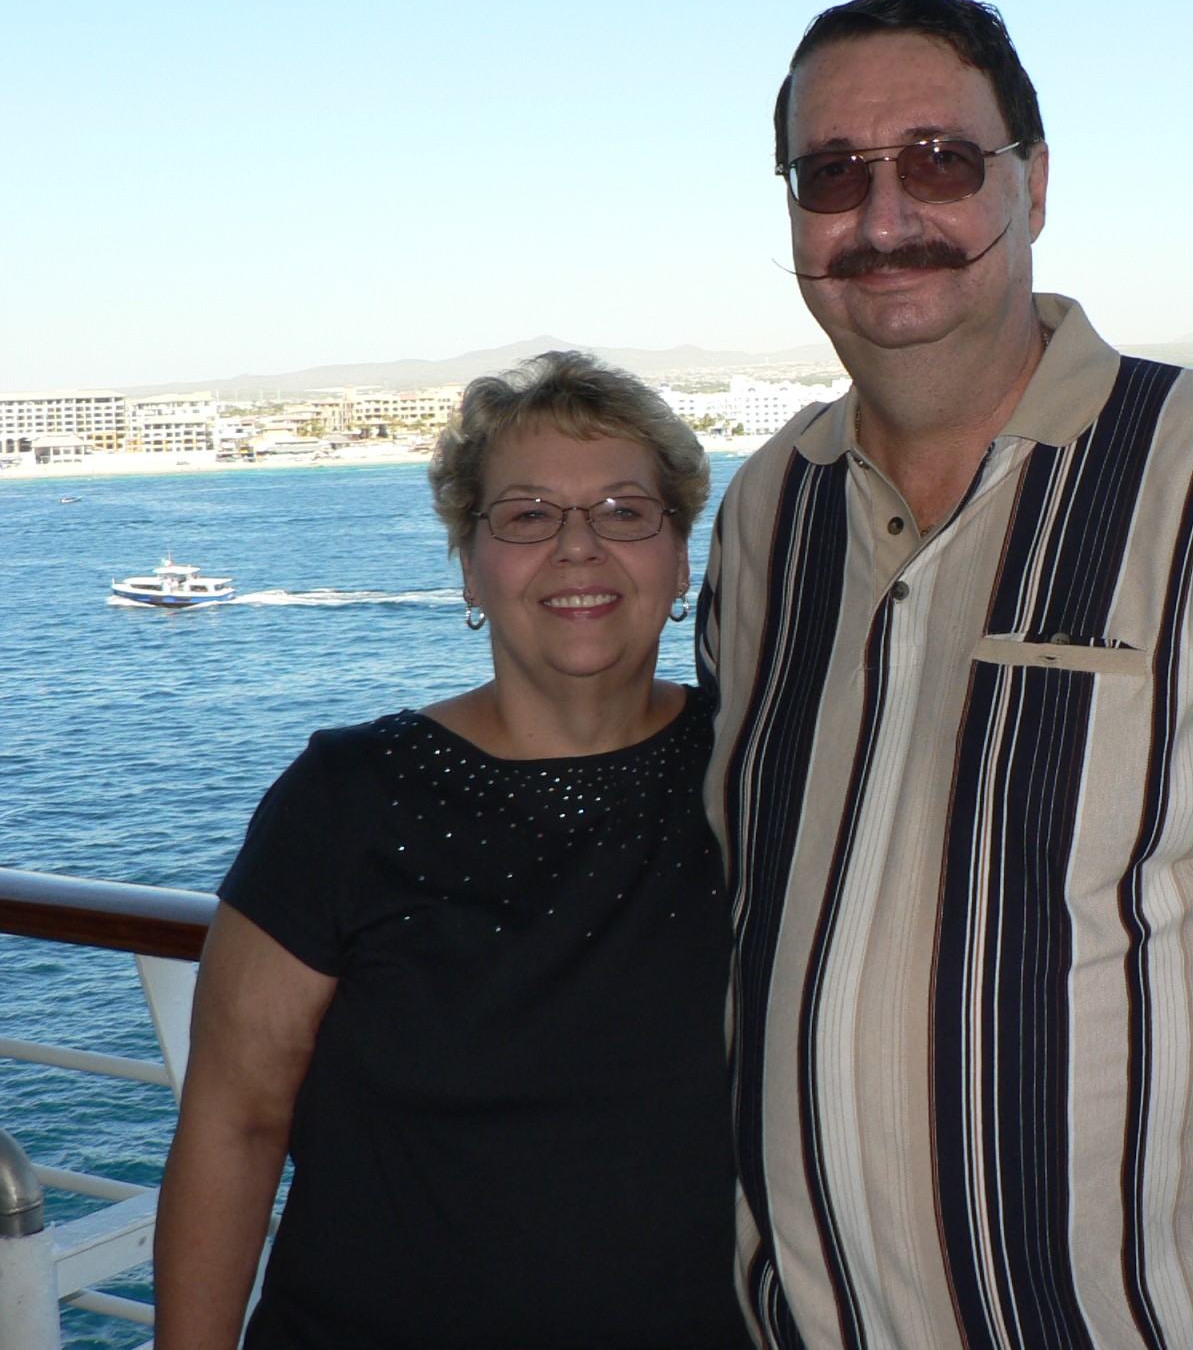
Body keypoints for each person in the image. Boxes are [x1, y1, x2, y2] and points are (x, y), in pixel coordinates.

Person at [697, 0, 1193, 1350]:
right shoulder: (767, 512)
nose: (884, 217)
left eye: (940, 160)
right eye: (832, 174)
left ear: (1033, 183)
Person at [156, 352, 749, 1349]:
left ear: (681, 556)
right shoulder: (349, 797)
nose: (578, 546)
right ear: (470, 566)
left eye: (624, 510)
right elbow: (234, 1124)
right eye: (527, 514)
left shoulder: (761, 769)